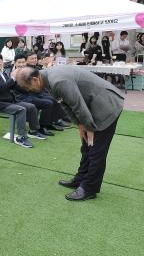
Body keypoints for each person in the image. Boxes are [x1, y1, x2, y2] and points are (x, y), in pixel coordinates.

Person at [15, 65, 124, 201]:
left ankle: (89, 188)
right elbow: (65, 104)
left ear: (36, 79)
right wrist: (80, 125)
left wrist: (89, 127)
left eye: (27, 87)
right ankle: (80, 179)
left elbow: (78, 105)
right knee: (86, 147)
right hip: (92, 105)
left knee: (96, 150)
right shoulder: (47, 79)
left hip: (106, 104)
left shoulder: (58, 81)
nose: (29, 91)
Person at [0, 54, 35, 148]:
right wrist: (13, 77)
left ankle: (34, 131)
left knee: (31, 106)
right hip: (1, 104)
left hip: (10, 101)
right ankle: (21, 137)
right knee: (21, 109)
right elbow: (2, 88)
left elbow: (12, 86)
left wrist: (22, 81)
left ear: (2, 62)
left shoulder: (3, 73)